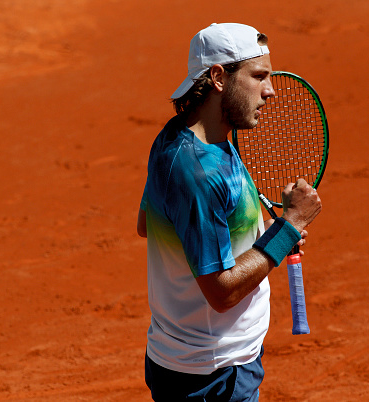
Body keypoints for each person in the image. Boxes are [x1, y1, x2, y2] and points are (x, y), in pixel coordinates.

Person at [136, 23, 322, 401]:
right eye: (259, 76)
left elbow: (148, 224)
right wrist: (288, 227)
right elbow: (221, 293)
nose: (270, 90)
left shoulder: (180, 136)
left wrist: (269, 231)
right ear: (219, 77)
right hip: (212, 374)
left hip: (202, 362)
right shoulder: (197, 170)